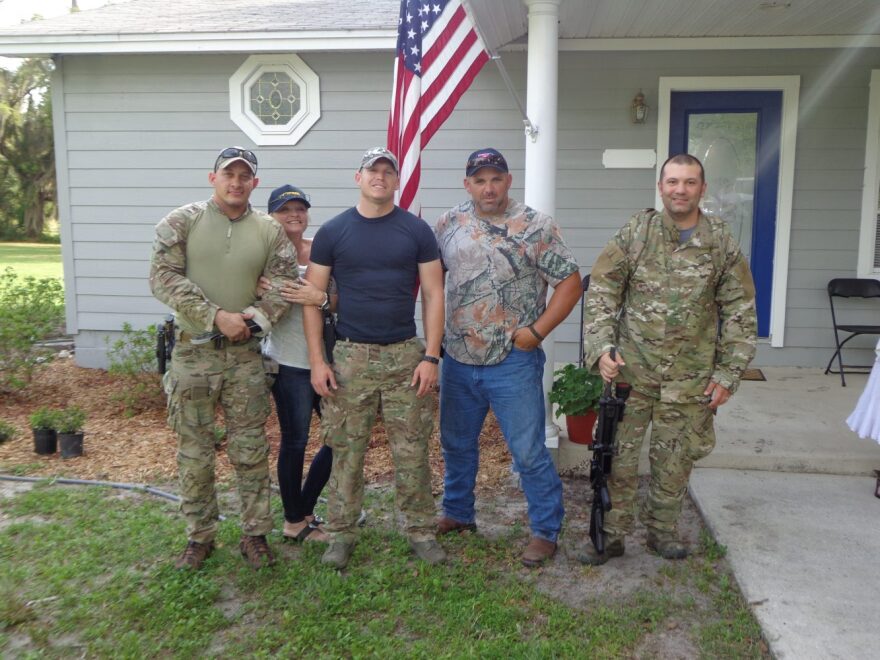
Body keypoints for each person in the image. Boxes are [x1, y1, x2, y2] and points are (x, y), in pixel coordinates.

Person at [578, 153, 757, 565]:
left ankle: (663, 532)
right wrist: (602, 348)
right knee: (617, 457)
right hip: (630, 373)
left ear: (702, 189)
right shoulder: (637, 232)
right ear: (661, 187)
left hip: (690, 378)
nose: (680, 189)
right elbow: (604, 289)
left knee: (674, 460)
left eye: (690, 182)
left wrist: (729, 373)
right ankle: (612, 534)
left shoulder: (721, 243)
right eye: (673, 181)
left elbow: (740, 310)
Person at [433, 148, 582, 568]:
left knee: (528, 451)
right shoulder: (448, 224)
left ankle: (545, 530)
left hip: (512, 362)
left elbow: (570, 285)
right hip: (460, 358)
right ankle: (459, 512)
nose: (488, 187)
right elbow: (430, 282)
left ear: (508, 181)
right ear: (468, 185)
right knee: (457, 443)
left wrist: (536, 333)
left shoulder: (535, 226)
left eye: (495, 178)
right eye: (479, 180)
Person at [150, 146, 295, 571]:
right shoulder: (182, 221)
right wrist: (214, 315)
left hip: (245, 357)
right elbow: (162, 276)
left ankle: (255, 534)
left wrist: (254, 321)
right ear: (213, 178)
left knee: (250, 449)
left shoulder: (269, 230)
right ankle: (200, 536)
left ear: (255, 183)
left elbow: (283, 283)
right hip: (193, 353)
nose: (236, 182)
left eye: (244, 175)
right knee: (194, 452)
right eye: (228, 174)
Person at [304, 147, 446, 570]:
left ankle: (421, 531)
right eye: (372, 170)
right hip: (351, 357)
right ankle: (341, 533)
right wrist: (318, 361)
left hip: (406, 355)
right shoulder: (333, 232)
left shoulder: (417, 231)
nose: (380, 176)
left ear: (397, 180)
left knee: (412, 450)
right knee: (346, 450)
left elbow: (435, 293)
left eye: (388, 171)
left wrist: (432, 357)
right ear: (358, 177)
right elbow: (312, 300)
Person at [261, 185, 335, 543]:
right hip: (288, 363)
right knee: (295, 441)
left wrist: (318, 296)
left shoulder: (320, 251)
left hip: (325, 360)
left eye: (300, 208)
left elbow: (335, 299)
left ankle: (304, 506)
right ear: (271, 216)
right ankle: (293, 521)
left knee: (340, 437)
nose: (294, 215)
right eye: (285, 209)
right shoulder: (263, 257)